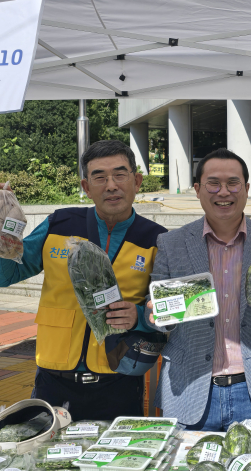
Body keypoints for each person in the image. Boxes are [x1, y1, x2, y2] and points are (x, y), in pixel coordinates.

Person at [0, 140, 167, 419]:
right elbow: (9, 274)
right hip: (52, 382)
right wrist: (4, 241)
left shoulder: (157, 240)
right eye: (99, 177)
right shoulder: (59, 224)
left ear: (137, 181)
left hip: (120, 381)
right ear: (86, 187)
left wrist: (138, 316)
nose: (111, 185)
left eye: (120, 174)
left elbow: (170, 310)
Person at [144, 148, 251, 429]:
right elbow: (155, 308)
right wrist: (155, 315)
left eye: (233, 183)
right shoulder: (172, 243)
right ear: (197, 189)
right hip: (189, 388)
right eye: (213, 183)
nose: (223, 192)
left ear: (247, 188)